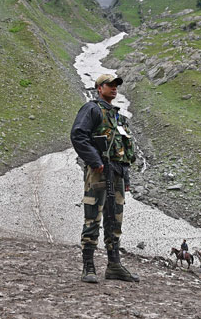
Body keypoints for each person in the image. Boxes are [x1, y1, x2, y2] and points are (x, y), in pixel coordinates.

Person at [71, 74, 139, 284]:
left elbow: (123, 150)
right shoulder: (91, 109)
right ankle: (88, 266)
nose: (114, 88)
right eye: (109, 85)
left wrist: (125, 178)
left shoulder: (118, 117)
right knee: (93, 217)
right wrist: (95, 161)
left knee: (114, 219)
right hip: (99, 170)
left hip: (117, 172)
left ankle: (114, 265)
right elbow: (78, 135)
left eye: (116, 85)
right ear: (99, 88)